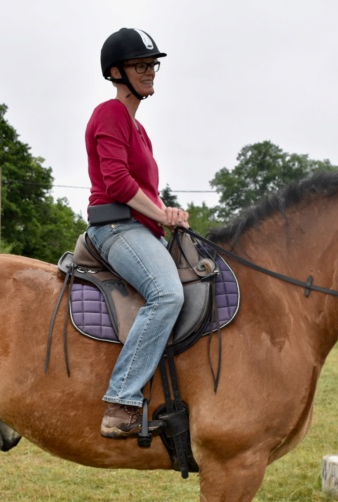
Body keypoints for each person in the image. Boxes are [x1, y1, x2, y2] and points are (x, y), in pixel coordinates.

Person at [85, 27, 189, 439]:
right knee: (168, 294)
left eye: (152, 64)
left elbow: (146, 191)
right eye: (140, 65)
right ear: (116, 72)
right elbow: (117, 183)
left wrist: (169, 212)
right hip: (114, 226)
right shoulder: (109, 114)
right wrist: (161, 214)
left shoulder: (139, 129)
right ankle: (122, 401)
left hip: (140, 228)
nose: (150, 72)